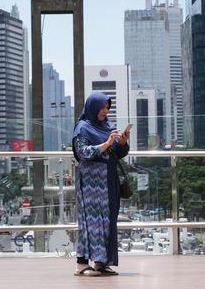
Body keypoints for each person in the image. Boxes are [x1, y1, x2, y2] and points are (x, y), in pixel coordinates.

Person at [72, 92, 131, 276]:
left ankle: (101, 262)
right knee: (90, 221)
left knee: (107, 221)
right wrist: (106, 143)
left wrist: (122, 142)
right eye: (102, 107)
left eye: (107, 107)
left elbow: (117, 153)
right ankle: (82, 263)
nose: (105, 111)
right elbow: (83, 152)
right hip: (90, 181)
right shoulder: (82, 127)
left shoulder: (108, 126)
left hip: (108, 180)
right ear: (93, 107)